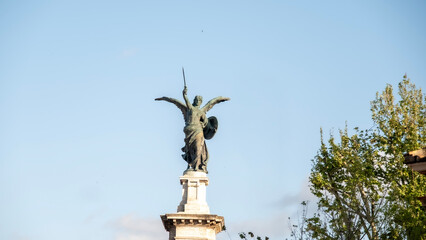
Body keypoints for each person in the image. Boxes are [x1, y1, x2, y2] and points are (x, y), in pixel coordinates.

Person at [155, 87, 230, 173]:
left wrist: (221, 99)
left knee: (198, 148)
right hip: (189, 131)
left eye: (199, 100)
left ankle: (197, 166)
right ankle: (190, 165)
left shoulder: (202, 111)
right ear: (194, 101)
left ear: (201, 102)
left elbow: (212, 104)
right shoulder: (189, 108)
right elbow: (175, 101)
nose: (198, 101)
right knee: (190, 150)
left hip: (198, 132)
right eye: (196, 99)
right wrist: (183, 95)